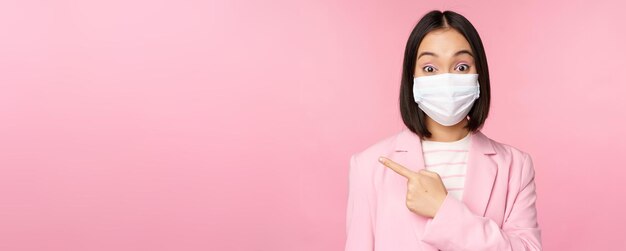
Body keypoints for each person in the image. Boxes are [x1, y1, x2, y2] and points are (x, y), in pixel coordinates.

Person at [344, 10, 542, 251]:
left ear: (479, 76)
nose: (446, 80)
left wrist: (444, 210)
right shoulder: (368, 167)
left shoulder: (515, 167)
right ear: (412, 79)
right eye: (430, 69)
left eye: (461, 67)